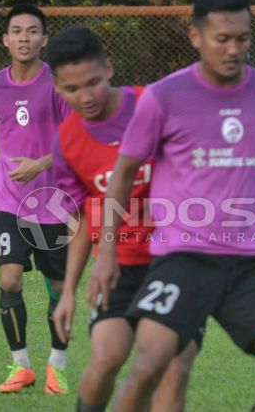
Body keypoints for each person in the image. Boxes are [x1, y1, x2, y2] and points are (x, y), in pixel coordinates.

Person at [90, 0, 255, 410]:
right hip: (183, 258)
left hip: (252, 260)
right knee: (147, 368)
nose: (234, 49)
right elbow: (122, 174)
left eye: (243, 39)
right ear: (195, 36)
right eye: (222, 39)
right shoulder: (164, 96)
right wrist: (107, 253)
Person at [46, 26, 200, 412]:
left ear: (109, 69)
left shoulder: (155, 105)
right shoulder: (66, 140)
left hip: (175, 261)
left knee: (171, 366)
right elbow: (82, 218)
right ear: (56, 86)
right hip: (117, 266)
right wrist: (68, 291)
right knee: (106, 358)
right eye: (71, 89)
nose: (86, 97)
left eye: (93, 83)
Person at [0, 4, 72, 395]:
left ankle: (57, 368)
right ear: (6, 40)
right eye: (17, 31)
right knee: (9, 278)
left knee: (58, 285)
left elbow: (75, 138)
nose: (24, 38)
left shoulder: (58, 83)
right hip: (8, 199)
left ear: (44, 39)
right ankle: (21, 365)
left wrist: (41, 163)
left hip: (53, 200)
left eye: (32, 31)